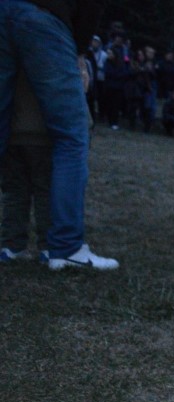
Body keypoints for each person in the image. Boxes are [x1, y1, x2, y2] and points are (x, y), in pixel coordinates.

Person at [0, 0, 118, 271]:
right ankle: (66, 247)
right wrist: (79, 51)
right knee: (72, 135)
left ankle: (13, 242)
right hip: (43, 14)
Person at [0, 72, 51, 265]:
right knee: (45, 192)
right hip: (42, 132)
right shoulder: (46, 59)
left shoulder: (9, 58)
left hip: (11, 131)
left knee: (14, 192)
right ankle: (47, 247)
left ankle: (12, 245)